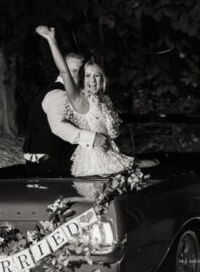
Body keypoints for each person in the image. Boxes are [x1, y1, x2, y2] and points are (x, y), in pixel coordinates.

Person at [35, 25, 138, 177]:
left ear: (102, 78)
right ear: (83, 79)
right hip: (93, 164)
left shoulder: (105, 101)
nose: (92, 81)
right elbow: (64, 71)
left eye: (96, 76)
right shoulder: (79, 100)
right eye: (88, 76)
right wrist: (51, 40)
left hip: (112, 157)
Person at [21, 43, 110, 177]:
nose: (76, 76)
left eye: (80, 72)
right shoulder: (58, 93)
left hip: (55, 156)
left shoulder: (74, 93)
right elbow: (58, 126)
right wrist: (92, 138)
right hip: (46, 161)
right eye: (72, 71)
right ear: (63, 72)